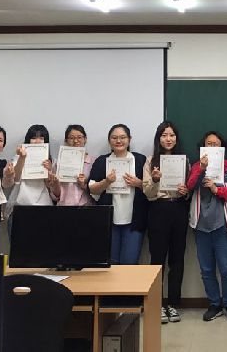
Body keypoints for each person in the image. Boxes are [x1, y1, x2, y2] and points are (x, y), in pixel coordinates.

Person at [187, 131, 227, 323]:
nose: (212, 147)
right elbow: (190, 185)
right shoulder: (196, 166)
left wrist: (216, 189)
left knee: (226, 268)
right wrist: (201, 169)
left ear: (222, 147)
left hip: (222, 224)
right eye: (208, 144)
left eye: (215, 144)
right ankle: (214, 304)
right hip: (201, 224)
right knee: (206, 269)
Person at [142, 121, 190, 324]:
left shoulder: (185, 161)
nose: (168, 139)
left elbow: (189, 190)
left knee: (177, 259)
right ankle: (157, 304)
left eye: (171, 135)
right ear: (158, 138)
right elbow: (147, 193)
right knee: (157, 259)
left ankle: (173, 304)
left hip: (179, 209)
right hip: (158, 210)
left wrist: (185, 192)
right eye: (164, 135)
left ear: (176, 138)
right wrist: (154, 180)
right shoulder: (150, 161)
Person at [89, 124, 148, 265]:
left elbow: (151, 189)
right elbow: (92, 189)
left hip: (134, 221)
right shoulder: (102, 161)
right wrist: (106, 182)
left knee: (130, 263)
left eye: (122, 137)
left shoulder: (140, 160)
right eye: (114, 138)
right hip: (109, 221)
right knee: (111, 265)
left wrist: (138, 183)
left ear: (129, 139)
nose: (118, 141)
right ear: (109, 140)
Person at [5, 125, 57, 235]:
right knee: (19, 243)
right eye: (34, 138)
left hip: (43, 206)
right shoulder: (18, 157)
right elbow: (15, 178)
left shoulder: (51, 161)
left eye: (41, 138)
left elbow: (51, 186)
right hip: (20, 206)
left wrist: (49, 170)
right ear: (28, 139)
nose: (37, 141)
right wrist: (22, 158)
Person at [50, 125, 95, 206]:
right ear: (66, 140)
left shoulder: (94, 162)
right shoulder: (58, 163)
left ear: (85, 139)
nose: (76, 141)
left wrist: (84, 185)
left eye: (79, 137)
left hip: (87, 207)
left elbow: (97, 192)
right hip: (64, 208)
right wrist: (55, 185)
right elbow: (55, 196)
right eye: (71, 138)